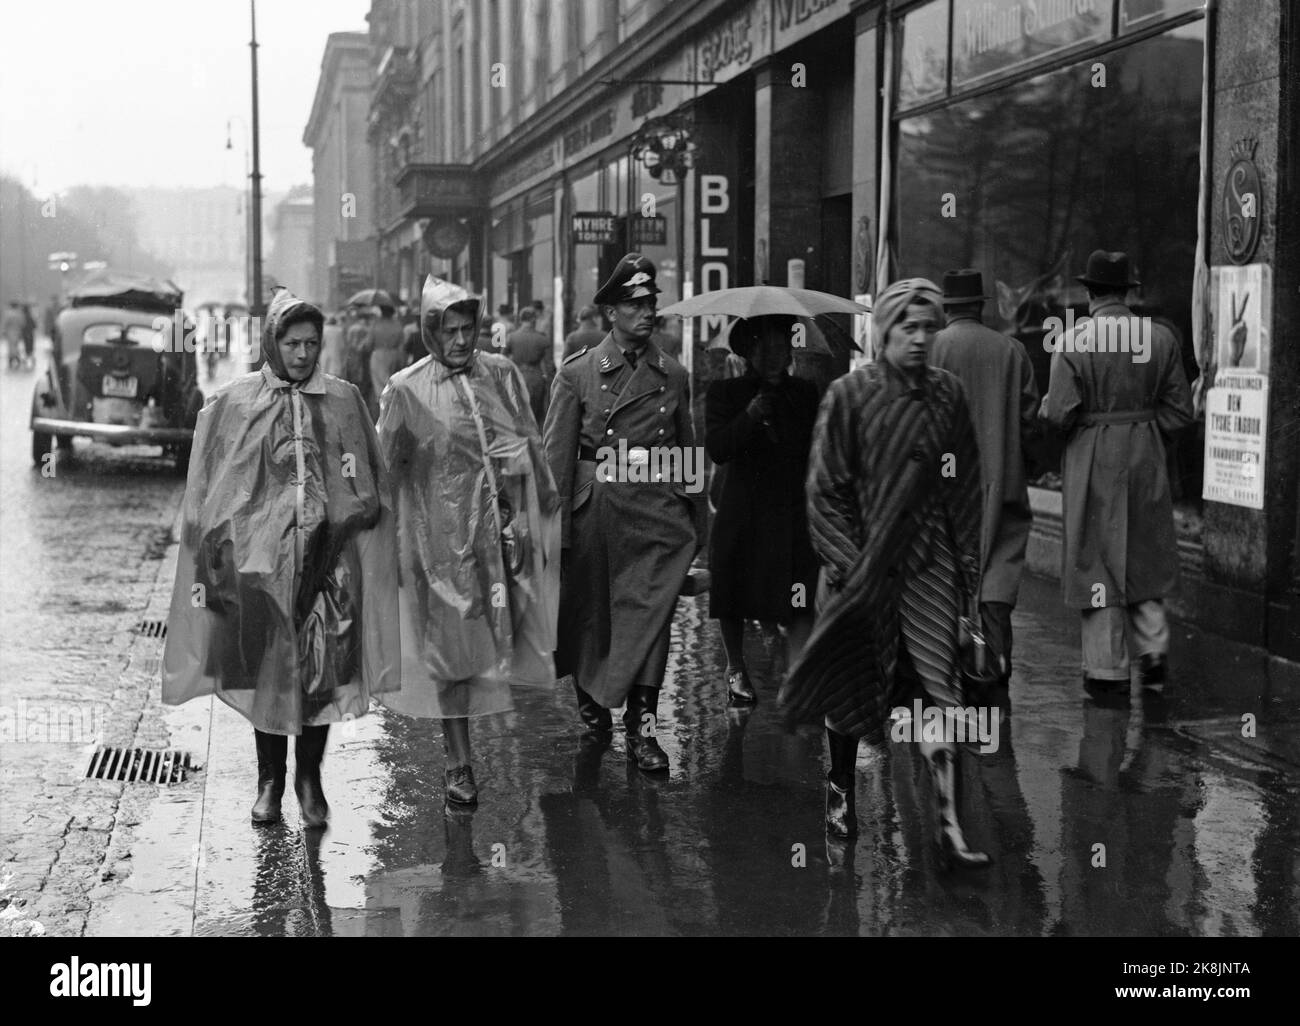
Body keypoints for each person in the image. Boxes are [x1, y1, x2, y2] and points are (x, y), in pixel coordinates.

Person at [161, 286, 400, 828]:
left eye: (311, 343)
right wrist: (223, 556)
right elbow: (211, 490)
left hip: (330, 567)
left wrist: (344, 517)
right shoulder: (235, 403)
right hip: (258, 569)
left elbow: (368, 479)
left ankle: (309, 779)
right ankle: (269, 779)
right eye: (292, 343)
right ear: (272, 341)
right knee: (266, 669)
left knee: (321, 671)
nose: (302, 354)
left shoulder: (342, 399)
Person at [779, 277, 990, 870]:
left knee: (936, 690)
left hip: (926, 565)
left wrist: (967, 568)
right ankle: (841, 788)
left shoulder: (948, 395)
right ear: (884, 331)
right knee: (851, 688)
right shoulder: (849, 395)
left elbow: (964, 482)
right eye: (907, 328)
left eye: (929, 328)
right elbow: (824, 489)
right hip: (859, 568)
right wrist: (848, 563)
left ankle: (949, 824)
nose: (920, 339)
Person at [377, 275, 560, 805]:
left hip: (501, 533)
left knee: (505, 637)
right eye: (449, 330)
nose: (460, 340)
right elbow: (388, 473)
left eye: (468, 328)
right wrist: (388, 548)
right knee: (450, 650)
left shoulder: (501, 374)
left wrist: (542, 507)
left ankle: (488, 739)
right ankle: (459, 761)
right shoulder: (407, 389)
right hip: (441, 540)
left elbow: (529, 437)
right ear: (431, 331)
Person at [543, 253, 705, 772]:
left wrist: (698, 529)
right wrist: (556, 535)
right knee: (593, 618)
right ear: (610, 312)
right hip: (599, 516)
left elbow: (687, 453)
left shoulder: (673, 373)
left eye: (650, 302)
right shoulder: (580, 374)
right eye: (634, 304)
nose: (646, 311)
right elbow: (556, 462)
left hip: (656, 516)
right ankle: (593, 701)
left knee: (653, 621)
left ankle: (643, 732)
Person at [1039, 250, 1194, 696]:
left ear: (1089, 293)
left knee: (1097, 560)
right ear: (1128, 292)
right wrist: (1144, 429)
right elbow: (1181, 412)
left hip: (1092, 456)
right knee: (1144, 549)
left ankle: (1107, 671)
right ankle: (1154, 651)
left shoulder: (1071, 341)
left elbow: (1062, 416)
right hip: (1145, 455)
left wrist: (1051, 409)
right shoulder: (1160, 339)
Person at [931, 268, 1040, 687]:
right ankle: (994, 667)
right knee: (997, 575)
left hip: (945, 487)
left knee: (946, 575)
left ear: (947, 309)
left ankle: (951, 673)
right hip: (1002, 481)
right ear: (980, 306)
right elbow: (1030, 420)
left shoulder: (932, 350)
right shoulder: (1011, 351)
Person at [704, 315, 820, 704]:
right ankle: (736, 667)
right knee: (732, 587)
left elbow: (815, 448)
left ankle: (799, 668)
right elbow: (718, 448)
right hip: (742, 505)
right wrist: (751, 415)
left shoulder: (804, 393)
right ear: (748, 352)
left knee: (799, 586)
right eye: (764, 348)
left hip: (789, 506)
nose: (774, 356)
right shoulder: (725, 393)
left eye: (781, 347)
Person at [507, 305, 554, 425]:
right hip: (536, 378)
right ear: (534, 320)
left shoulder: (511, 337)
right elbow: (549, 367)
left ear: (521, 319)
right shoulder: (542, 339)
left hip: (516, 377)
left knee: (518, 412)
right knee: (536, 414)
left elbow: (501, 360)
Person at [367, 302, 405, 408]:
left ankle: (380, 412)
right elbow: (401, 342)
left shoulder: (376, 324)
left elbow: (369, 343)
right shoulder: (397, 325)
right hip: (393, 355)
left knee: (379, 387)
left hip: (378, 355)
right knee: (391, 383)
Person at [3, 301, 24, 369]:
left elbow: (5, 323)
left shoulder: (8, 313)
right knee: (16, 345)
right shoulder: (19, 313)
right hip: (18, 331)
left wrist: (4, 331)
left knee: (11, 346)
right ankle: (16, 358)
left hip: (10, 332)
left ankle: (12, 358)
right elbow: (22, 323)